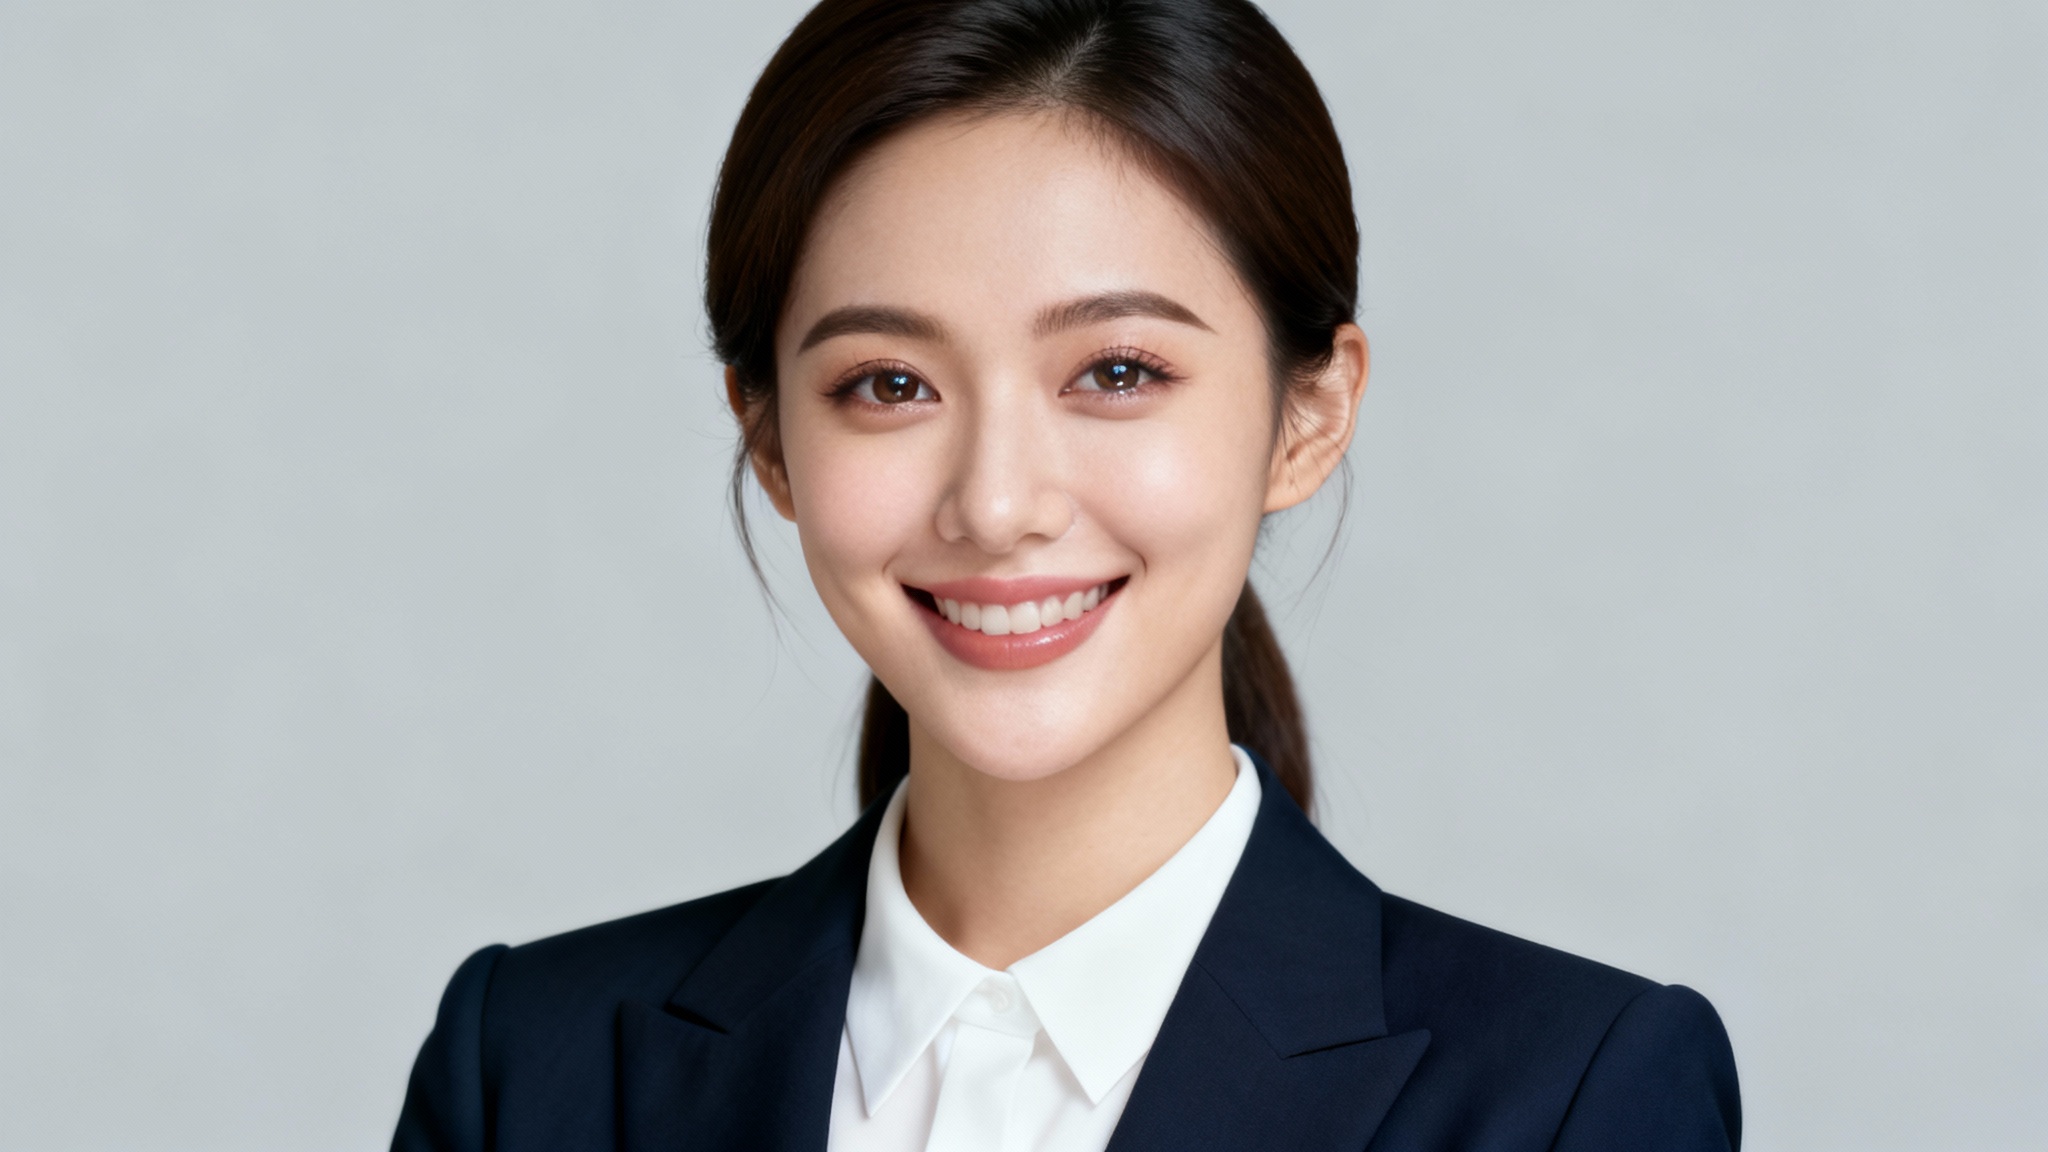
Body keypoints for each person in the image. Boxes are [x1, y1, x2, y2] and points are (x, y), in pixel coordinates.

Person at [391, 0, 1742, 1148]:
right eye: (888, 385)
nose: (996, 503)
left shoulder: (1569, 1096)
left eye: (1116, 372)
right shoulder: (530, 1074)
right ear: (772, 441)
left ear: (1309, 415)